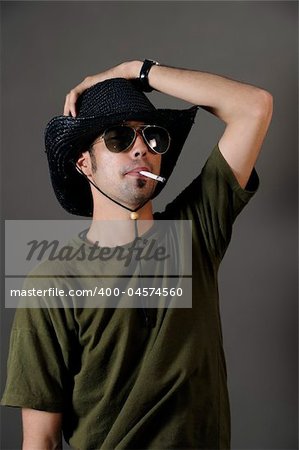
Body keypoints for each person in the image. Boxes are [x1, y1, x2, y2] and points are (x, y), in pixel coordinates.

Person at [1, 60, 273, 450]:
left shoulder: (195, 232)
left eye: (153, 137)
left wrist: (136, 70)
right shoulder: (52, 283)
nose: (141, 147)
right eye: (117, 138)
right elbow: (39, 440)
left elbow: (254, 106)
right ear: (84, 163)